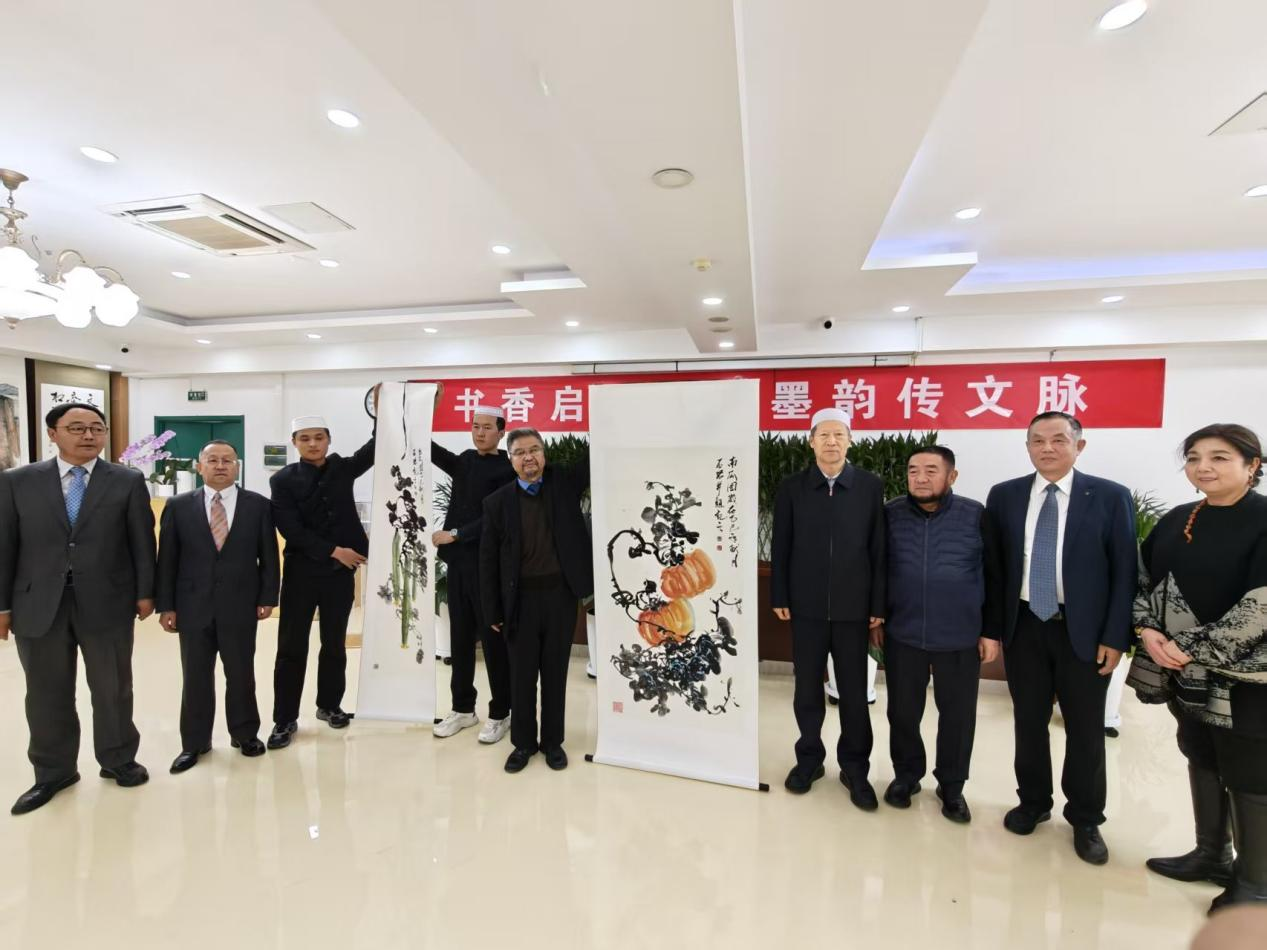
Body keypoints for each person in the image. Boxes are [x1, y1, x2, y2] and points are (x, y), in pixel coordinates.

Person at [985, 410, 1135, 865]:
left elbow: (1124, 572)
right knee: (1028, 721)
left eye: (1058, 440)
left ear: (1078, 446)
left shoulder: (1109, 496)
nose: (1047, 448)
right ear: (1027, 446)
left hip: (1083, 630)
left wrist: (1115, 636)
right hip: (1025, 624)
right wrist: (992, 630)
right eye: (1037, 440)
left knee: (1085, 728)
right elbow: (995, 570)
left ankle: (1086, 818)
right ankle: (1033, 802)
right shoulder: (1005, 495)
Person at [1132, 423, 1266, 913]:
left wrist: (1188, 646)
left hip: (1246, 679)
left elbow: (1262, 606)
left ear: (1252, 466)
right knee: (1201, 754)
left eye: (1219, 457)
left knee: (1250, 773)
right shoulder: (1178, 519)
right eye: (1193, 457)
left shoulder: (1263, 519)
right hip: (1184, 674)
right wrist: (1147, 629)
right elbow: (1142, 579)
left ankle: (1256, 885)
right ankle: (1211, 853)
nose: (1203, 467)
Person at [0, 402, 156, 814]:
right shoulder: (17, 481)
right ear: (52, 433)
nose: (89, 435)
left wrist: (146, 592)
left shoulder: (126, 480)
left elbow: (142, 541)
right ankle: (53, 772)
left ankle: (118, 759)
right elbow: (4, 546)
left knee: (112, 687)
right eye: (77, 428)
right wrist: (1, 606)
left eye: (96, 428)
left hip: (107, 601)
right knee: (46, 692)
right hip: (38, 603)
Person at [771, 407, 886, 809]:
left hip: (855, 610)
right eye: (824, 435)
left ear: (850, 441)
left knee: (854, 692)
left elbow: (878, 548)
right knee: (806, 688)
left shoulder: (869, 486)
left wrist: (877, 603)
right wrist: (780, 595)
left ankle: (855, 768)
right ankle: (809, 759)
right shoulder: (793, 487)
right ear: (811, 442)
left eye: (839, 434)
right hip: (806, 609)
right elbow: (781, 544)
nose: (832, 441)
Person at [879, 445, 998, 822]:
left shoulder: (975, 515)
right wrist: (878, 619)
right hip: (904, 632)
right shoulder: (891, 514)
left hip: (960, 634)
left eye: (931, 470)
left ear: (952, 476)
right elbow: (878, 568)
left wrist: (990, 631)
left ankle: (952, 786)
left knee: (958, 717)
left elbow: (995, 575)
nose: (920, 478)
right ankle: (906, 775)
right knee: (902, 711)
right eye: (913, 471)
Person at [157, 440, 280, 772]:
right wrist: (167, 605)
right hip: (191, 606)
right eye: (213, 460)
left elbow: (269, 556)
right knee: (195, 676)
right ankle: (194, 743)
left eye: (228, 460)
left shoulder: (258, 505)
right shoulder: (178, 506)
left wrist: (268, 597)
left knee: (241, 673)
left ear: (237, 467)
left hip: (241, 604)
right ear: (200, 467)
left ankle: (245, 734)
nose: (221, 465)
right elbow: (167, 560)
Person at [480, 428, 591, 773]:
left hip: (560, 598)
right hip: (520, 602)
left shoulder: (563, 486)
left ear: (544, 454)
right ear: (510, 459)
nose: (528, 457)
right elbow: (488, 561)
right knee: (522, 677)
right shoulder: (497, 503)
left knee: (555, 674)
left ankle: (553, 742)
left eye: (535, 450)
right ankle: (523, 744)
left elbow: (591, 460)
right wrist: (493, 610)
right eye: (520, 452)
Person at [268, 407, 375, 749]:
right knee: (291, 646)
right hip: (301, 573)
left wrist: (382, 408)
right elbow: (291, 529)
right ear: (294, 443)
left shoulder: (342, 468)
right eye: (305, 439)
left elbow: (373, 448)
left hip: (339, 576)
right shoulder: (282, 480)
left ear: (329, 440)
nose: (313, 444)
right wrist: (334, 551)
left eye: (319, 438)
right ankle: (285, 718)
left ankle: (329, 705)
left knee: (334, 643)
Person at [431, 399, 515, 744]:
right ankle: (463, 708)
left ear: (501, 432)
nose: (480, 433)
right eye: (475, 427)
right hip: (458, 565)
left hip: (487, 567)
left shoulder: (508, 469)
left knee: (493, 642)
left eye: (487, 428)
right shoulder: (465, 460)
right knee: (460, 639)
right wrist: (426, 409)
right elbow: (431, 450)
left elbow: (496, 518)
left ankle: (501, 712)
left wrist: (456, 533)